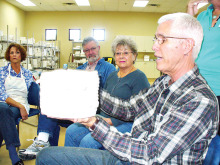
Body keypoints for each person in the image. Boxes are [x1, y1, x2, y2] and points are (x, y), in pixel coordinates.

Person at [36, 13, 219, 165]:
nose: (154, 46)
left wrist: (93, 123)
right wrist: (85, 92)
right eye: (156, 39)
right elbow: (129, 108)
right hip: (128, 156)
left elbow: (150, 153)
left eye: (162, 40)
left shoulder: (198, 100)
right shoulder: (163, 83)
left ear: (186, 46)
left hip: (139, 157)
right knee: (46, 156)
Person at [18, 37, 116, 160]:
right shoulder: (80, 69)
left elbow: (109, 96)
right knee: (50, 106)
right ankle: (45, 146)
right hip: (75, 108)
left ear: (99, 48)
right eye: (87, 50)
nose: (90, 52)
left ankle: (43, 143)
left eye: (93, 49)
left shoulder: (108, 68)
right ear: (84, 52)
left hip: (92, 111)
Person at [65, 36, 150, 149]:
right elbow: (104, 102)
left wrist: (107, 121)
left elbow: (137, 113)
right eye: (118, 53)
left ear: (134, 55)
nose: (121, 56)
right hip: (103, 118)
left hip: (126, 124)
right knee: (71, 131)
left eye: (126, 53)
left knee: (89, 141)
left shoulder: (139, 78)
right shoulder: (112, 76)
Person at [187, 1, 220, 164]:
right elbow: (186, 40)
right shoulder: (203, 15)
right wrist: (190, 15)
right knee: (196, 134)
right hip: (197, 84)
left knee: (216, 139)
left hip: (218, 87)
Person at [0, 43, 34, 165]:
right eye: (12, 52)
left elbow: (33, 91)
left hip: (21, 103)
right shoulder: (2, 71)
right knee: (3, 110)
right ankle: (14, 156)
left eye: (17, 52)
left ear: (22, 55)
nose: (14, 55)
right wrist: (19, 106)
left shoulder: (27, 74)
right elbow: (2, 94)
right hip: (5, 102)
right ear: (8, 55)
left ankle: (13, 155)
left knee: (3, 114)